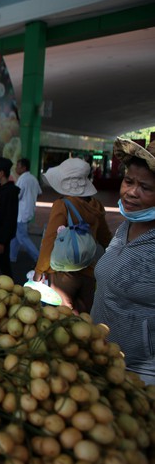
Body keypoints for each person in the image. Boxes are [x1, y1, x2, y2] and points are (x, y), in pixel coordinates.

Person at [91, 138, 155, 384]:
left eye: (145, 188)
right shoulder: (125, 227)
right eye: (129, 181)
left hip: (141, 373)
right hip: (102, 358)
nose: (131, 192)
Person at [33, 157, 112, 314]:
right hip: (89, 272)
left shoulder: (62, 205)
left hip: (63, 274)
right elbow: (106, 239)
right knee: (83, 322)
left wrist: (39, 270)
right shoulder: (96, 206)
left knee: (63, 322)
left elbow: (50, 240)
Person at [10, 158, 42, 264]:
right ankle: (12, 257)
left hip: (21, 212)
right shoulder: (33, 178)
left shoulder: (22, 179)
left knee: (22, 237)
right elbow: (39, 192)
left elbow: (16, 195)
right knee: (16, 236)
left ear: (24, 167)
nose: (16, 168)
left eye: (18, 166)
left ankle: (38, 257)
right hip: (28, 211)